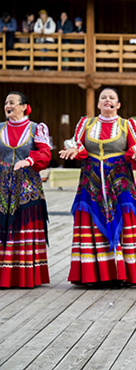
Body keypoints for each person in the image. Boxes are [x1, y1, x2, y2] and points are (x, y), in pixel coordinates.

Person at [59, 87, 136, 287]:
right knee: (91, 220)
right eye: (103, 98)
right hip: (91, 180)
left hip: (120, 181)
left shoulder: (128, 125)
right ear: (98, 103)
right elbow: (76, 143)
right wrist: (73, 150)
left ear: (118, 105)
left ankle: (124, 273)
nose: (107, 100)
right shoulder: (86, 123)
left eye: (112, 98)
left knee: (125, 220)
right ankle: (93, 275)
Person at [0, 92, 51, 288]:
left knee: (23, 227)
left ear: (23, 106)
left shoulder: (36, 129)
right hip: (3, 186)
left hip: (27, 186)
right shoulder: (0, 129)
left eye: (11, 102)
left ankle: (24, 276)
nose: (7, 105)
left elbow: (45, 155)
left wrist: (29, 160)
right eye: (5, 103)